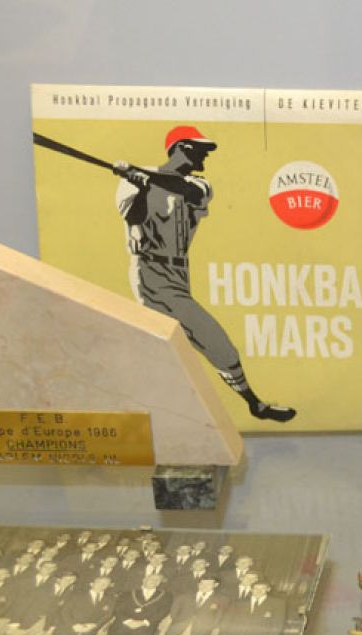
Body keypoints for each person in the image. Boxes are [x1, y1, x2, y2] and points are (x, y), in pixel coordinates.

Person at [113, 126, 295, 422]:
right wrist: (141, 185)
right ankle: (253, 405)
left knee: (187, 348)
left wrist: (142, 175)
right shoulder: (133, 182)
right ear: (180, 148)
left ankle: (250, 405)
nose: (204, 157)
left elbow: (188, 191)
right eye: (199, 150)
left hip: (179, 276)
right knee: (205, 341)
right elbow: (134, 217)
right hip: (149, 273)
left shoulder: (199, 184)